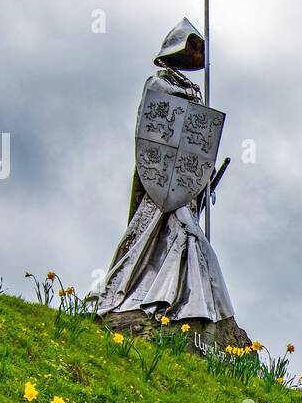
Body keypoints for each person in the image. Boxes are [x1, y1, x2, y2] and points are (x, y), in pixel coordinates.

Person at [95, 19, 236, 324]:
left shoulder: (195, 93)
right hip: (160, 186)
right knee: (162, 239)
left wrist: (203, 176)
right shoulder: (159, 85)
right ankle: (153, 302)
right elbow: (154, 141)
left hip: (184, 190)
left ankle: (187, 307)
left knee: (191, 241)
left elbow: (196, 148)